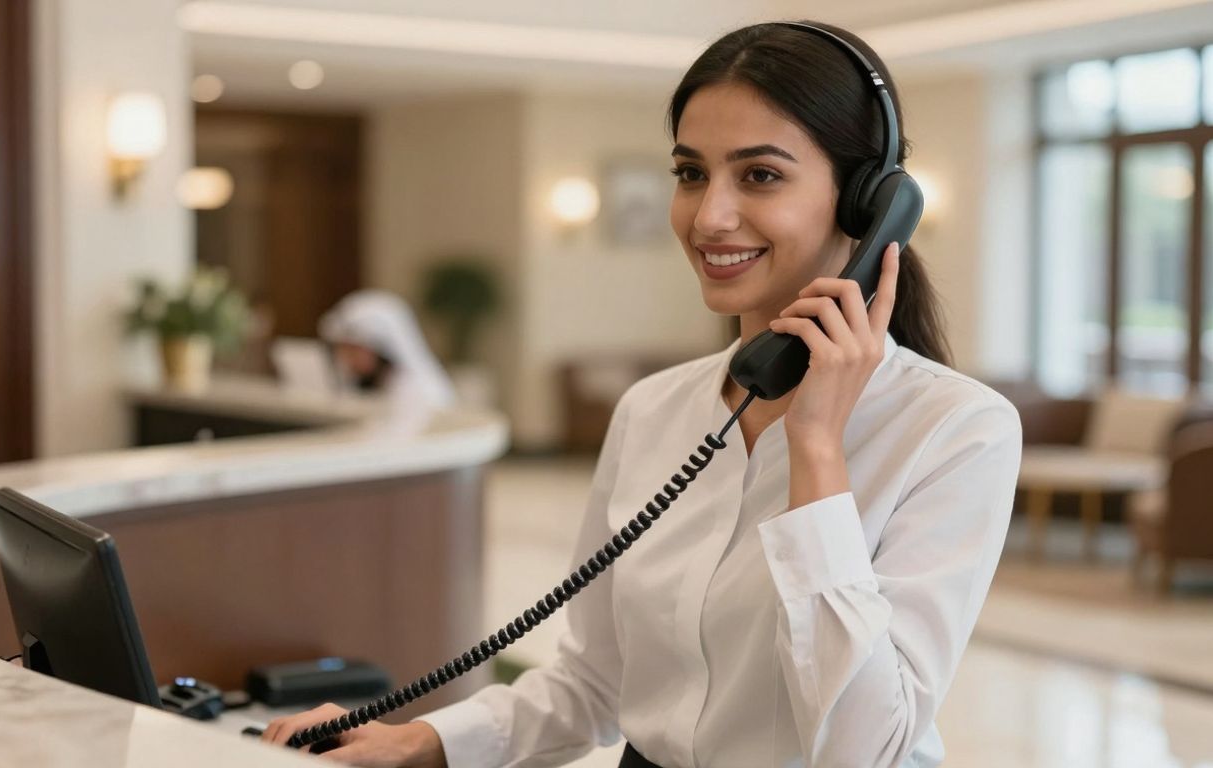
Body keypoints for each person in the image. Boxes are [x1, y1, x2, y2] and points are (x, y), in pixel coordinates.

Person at [263, 20, 1022, 768]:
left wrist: (816, 449)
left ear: (867, 204)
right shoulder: (653, 409)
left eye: (760, 175)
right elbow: (596, 681)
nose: (710, 216)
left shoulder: (958, 429)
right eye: (691, 173)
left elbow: (865, 748)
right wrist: (424, 740)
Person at [316, 289, 458, 412]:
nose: (345, 358)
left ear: (381, 350)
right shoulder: (372, 383)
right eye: (342, 349)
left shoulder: (417, 391)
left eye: (353, 350)